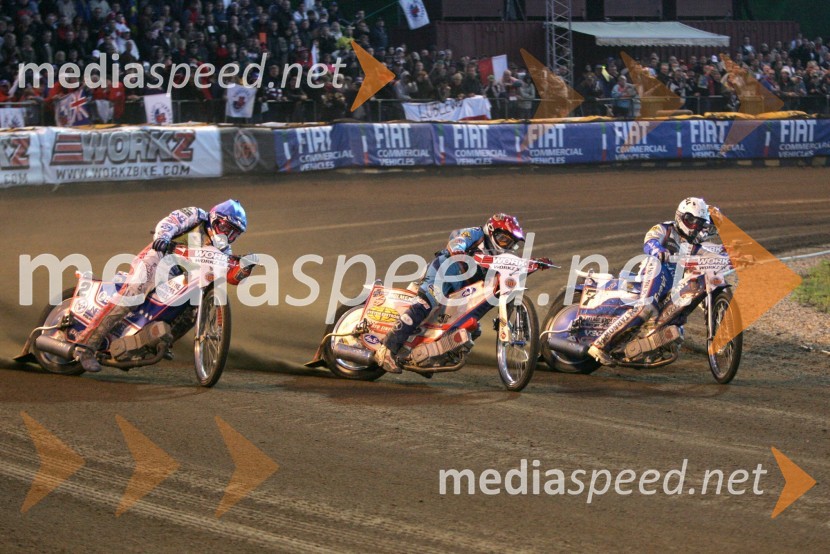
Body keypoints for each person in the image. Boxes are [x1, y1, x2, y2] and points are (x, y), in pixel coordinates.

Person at [74, 200, 252, 373]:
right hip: (158, 258)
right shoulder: (197, 216)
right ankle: (86, 346)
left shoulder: (224, 251)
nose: (227, 235)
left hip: (181, 279)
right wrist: (163, 237)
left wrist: (244, 269)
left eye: (234, 233)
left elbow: (231, 278)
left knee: (193, 311)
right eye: (226, 228)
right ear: (214, 219)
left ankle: (155, 342)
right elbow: (170, 222)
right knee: (132, 295)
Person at [375, 214, 544, 374]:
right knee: (426, 303)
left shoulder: (503, 257)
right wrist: (458, 249)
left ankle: (435, 356)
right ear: (491, 231)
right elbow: (458, 239)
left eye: (510, 243)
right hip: (445, 271)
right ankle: (387, 349)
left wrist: (535, 264)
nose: (505, 245)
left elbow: (514, 268)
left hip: (463, 288)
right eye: (503, 239)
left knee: (471, 328)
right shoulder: (476, 233)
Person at [587, 197, 716, 365]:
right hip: (656, 268)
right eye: (690, 221)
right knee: (647, 307)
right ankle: (601, 345)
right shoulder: (665, 228)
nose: (693, 227)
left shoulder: (696, 245)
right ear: (680, 216)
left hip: (674, 284)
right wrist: (659, 250)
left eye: (698, 224)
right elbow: (650, 241)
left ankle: (639, 345)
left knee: (676, 323)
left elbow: (712, 256)